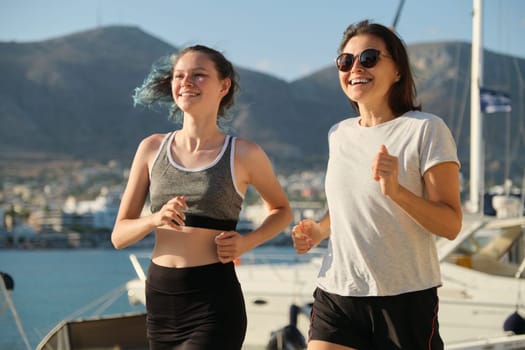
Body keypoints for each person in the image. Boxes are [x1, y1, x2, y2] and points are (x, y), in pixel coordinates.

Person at [291, 20, 462, 350]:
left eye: (368, 58)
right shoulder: (338, 134)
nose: (355, 67)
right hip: (338, 292)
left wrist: (396, 191)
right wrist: (318, 230)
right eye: (346, 61)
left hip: (404, 299)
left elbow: (451, 224)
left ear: (397, 70)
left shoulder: (426, 130)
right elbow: (346, 210)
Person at [111, 44, 292, 350]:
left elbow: (282, 210)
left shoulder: (244, 153)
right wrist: (155, 219)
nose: (187, 82)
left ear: (224, 86)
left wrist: (246, 242)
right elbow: (119, 236)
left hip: (213, 302)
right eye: (179, 76)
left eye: (199, 75)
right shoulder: (150, 149)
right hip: (160, 301)